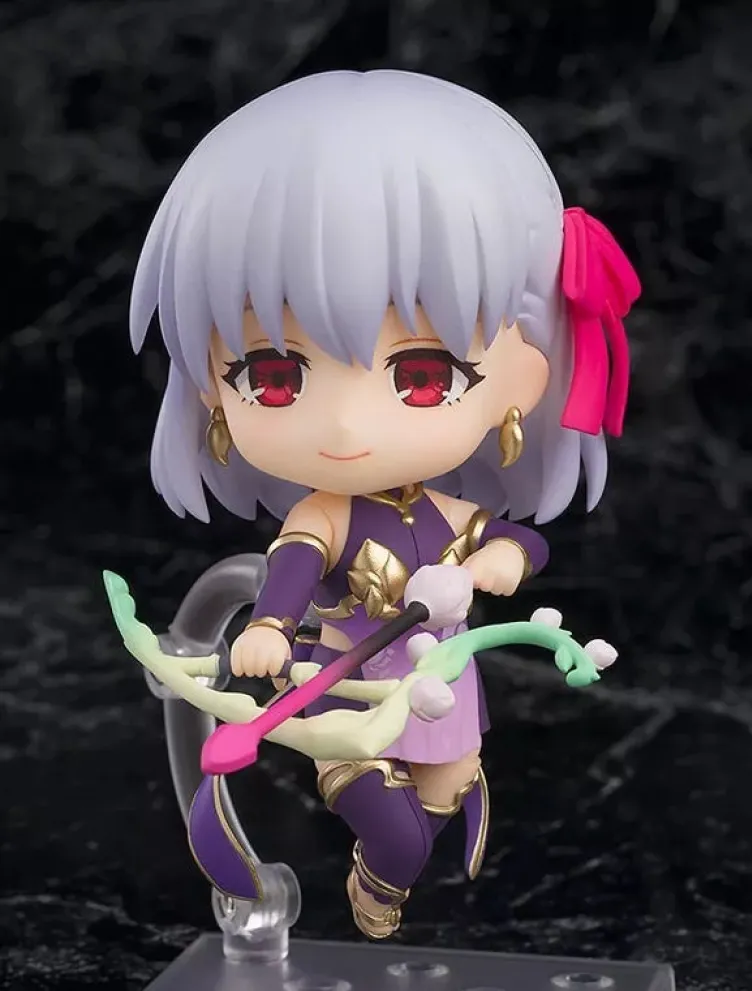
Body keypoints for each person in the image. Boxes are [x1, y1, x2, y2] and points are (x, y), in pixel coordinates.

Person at [129, 69, 640, 939]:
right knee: (399, 835)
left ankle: (407, 847)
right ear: (213, 388)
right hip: (344, 692)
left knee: (445, 795)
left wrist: (504, 556)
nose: (346, 426)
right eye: (274, 376)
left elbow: (517, 541)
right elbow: (293, 567)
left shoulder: (446, 511)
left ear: (520, 378)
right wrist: (267, 628)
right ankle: (379, 881)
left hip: (445, 687)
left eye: (424, 374)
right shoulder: (324, 516)